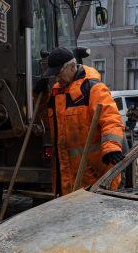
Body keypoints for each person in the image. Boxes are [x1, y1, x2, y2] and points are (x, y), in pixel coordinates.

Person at [40, 47, 124, 196]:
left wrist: (111, 147)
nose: (57, 79)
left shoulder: (93, 89)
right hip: (67, 176)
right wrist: (38, 97)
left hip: (94, 174)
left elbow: (111, 119)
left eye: (58, 74)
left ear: (72, 67)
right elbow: (45, 121)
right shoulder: (56, 92)